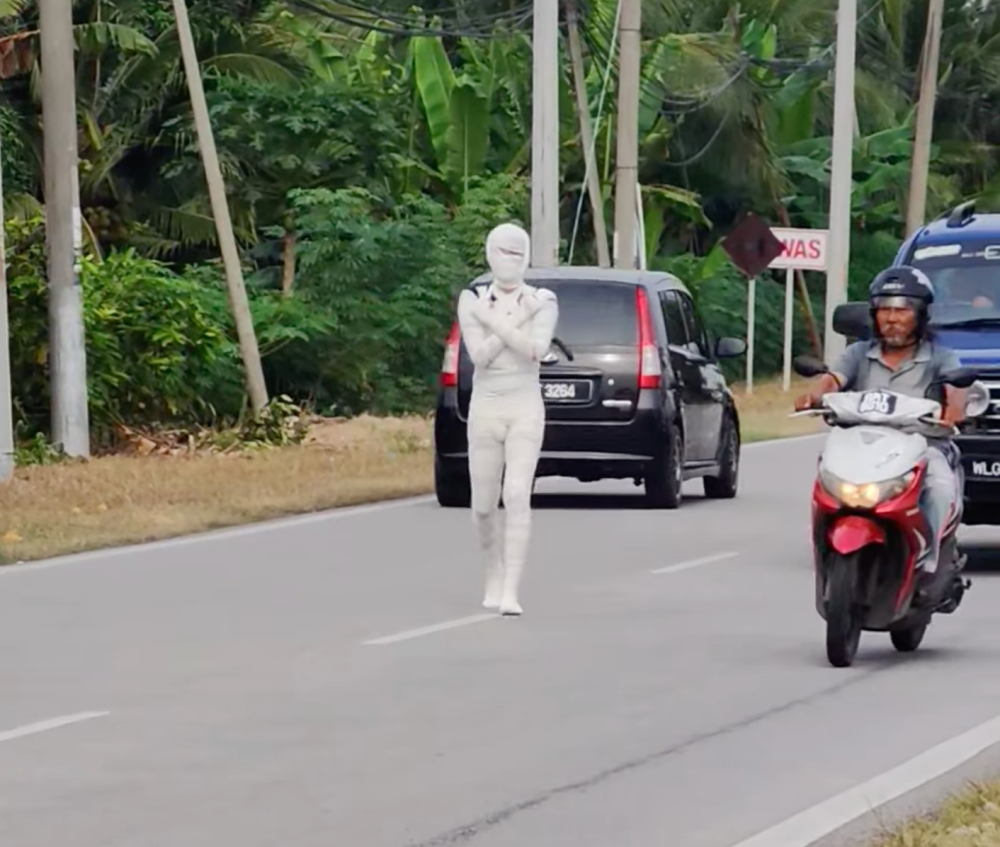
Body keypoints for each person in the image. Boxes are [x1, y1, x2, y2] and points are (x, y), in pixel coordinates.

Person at [794, 266, 968, 605]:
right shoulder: (859, 353)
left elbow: (955, 389)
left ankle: (928, 557)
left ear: (920, 315)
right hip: (863, 445)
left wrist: (953, 410)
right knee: (825, 471)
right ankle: (824, 543)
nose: (892, 318)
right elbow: (833, 379)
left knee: (941, 488)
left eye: (902, 310)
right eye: (885, 309)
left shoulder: (940, 357)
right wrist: (813, 396)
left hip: (923, 446)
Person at [456, 223, 559, 616]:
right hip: (485, 408)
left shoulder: (543, 299)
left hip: (525, 406)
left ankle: (512, 589)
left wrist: (498, 321)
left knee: (516, 494)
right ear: (488, 253)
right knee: (483, 505)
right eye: (501, 251)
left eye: (517, 253)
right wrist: (515, 320)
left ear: (527, 257)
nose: (509, 260)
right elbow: (479, 356)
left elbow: (536, 349)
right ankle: (492, 575)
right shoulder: (472, 299)